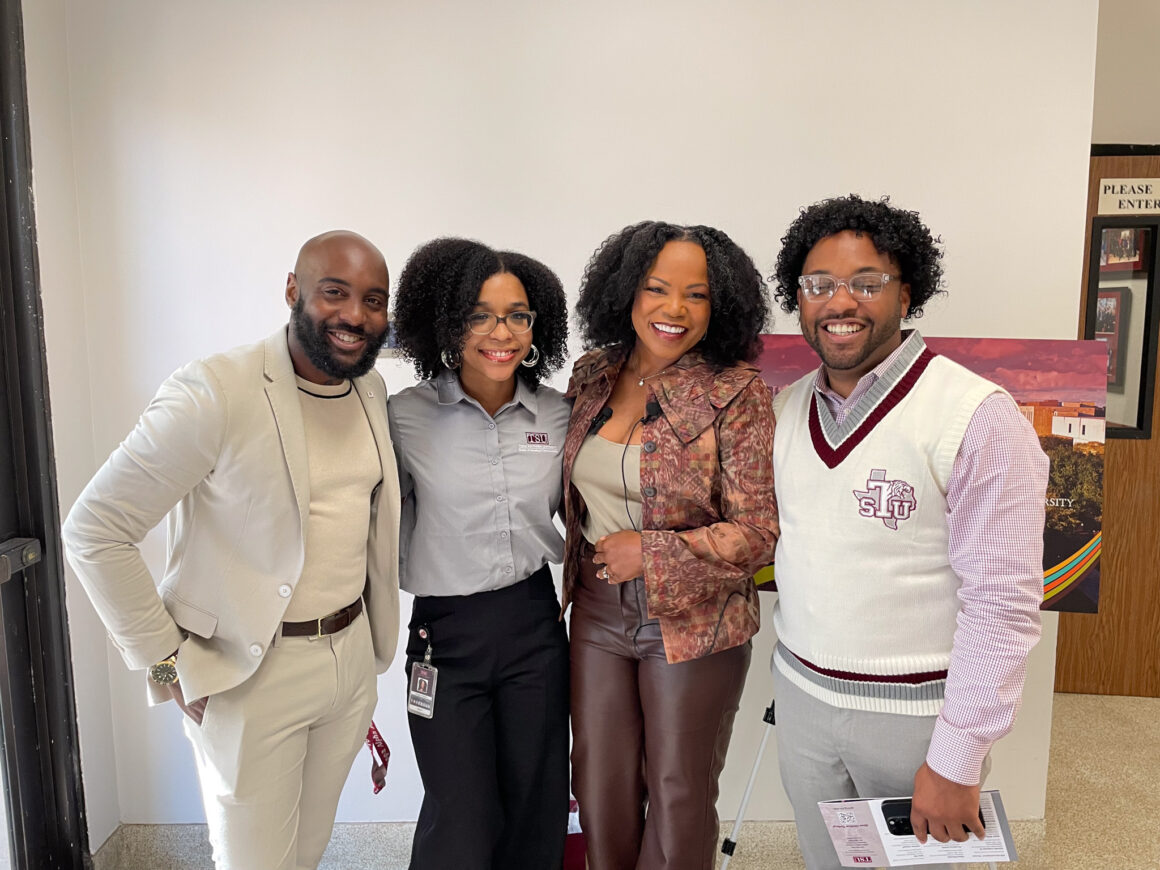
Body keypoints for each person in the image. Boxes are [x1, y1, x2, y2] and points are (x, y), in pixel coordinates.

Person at [62, 230, 400, 870]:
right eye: (336, 292)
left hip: (350, 662)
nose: (355, 315)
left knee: (307, 851)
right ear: (293, 290)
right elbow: (94, 529)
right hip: (248, 675)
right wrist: (167, 672)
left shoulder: (370, 392)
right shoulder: (215, 390)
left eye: (374, 300)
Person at [767, 194, 1049, 870]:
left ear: (907, 292)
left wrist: (956, 759)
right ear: (797, 296)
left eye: (867, 283)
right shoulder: (785, 407)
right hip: (803, 701)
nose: (841, 302)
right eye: (819, 284)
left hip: (915, 718)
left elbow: (1003, 605)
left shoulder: (976, 415)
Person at [561, 221, 778, 869]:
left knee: (680, 792)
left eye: (697, 295)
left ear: (722, 306)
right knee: (599, 786)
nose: (674, 309)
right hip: (597, 612)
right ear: (626, 293)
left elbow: (758, 532)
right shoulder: (591, 376)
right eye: (656, 289)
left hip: (695, 624)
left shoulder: (738, 393)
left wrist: (650, 553)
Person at [387, 237, 572, 870]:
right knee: (459, 818)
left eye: (518, 314)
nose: (502, 332)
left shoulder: (560, 415)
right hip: (444, 637)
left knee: (535, 805)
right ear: (444, 321)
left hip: (534, 628)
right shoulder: (401, 419)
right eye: (478, 314)